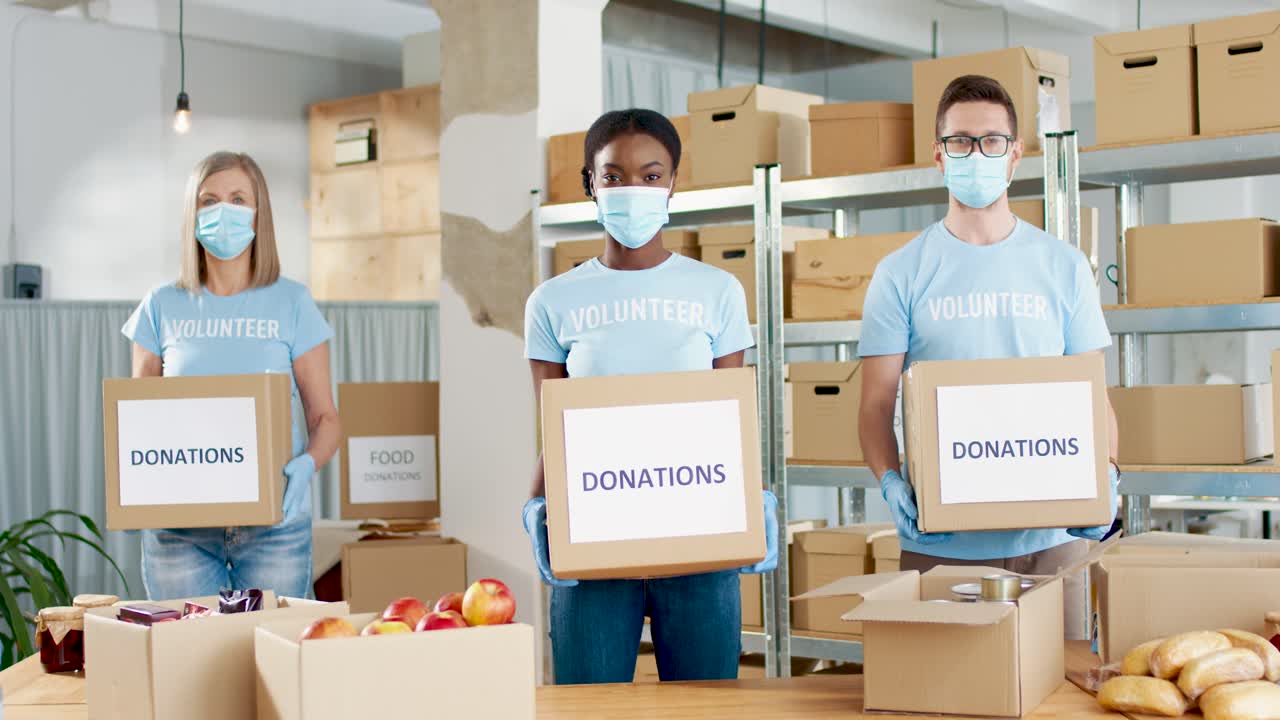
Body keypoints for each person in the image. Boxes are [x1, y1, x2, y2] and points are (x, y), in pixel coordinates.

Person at [520, 109, 777, 684]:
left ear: (673, 182)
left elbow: (729, 418)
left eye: (650, 174)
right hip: (593, 538)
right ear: (590, 183)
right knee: (589, 706)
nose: (632, 189)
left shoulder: (718, 292)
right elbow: (554, 428)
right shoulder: (552, 302)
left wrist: (753, 499)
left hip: (698, 536)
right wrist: (536, 507)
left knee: (705, 706)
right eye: (613, 176)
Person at [857, 75, 1119, 638]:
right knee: (947, 695)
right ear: (939, 155)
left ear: (1015, 154)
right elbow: (876, 403)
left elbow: (1092, 394)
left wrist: (1109, 476)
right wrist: (890, 481)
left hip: (1052, 542)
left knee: (1057, 695)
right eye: (961, 141)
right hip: (945, 544)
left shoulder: (1063, 266)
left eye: (992, 141)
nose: (976, 154)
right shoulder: (901, 272)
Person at [122, 151, 340, 601]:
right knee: (187, 658)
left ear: (259, 214)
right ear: (192, 214)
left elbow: (326, 420)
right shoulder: (160, 306)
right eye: (209, 200)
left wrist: (307, 464)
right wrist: (133, 490)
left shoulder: (293, 303)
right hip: (179, 530)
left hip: (274, 525)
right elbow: (138, 423)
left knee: (272, 656)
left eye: (239, 198)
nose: (224, 211)